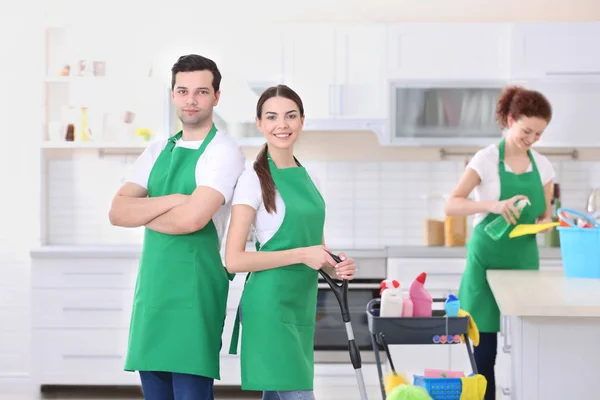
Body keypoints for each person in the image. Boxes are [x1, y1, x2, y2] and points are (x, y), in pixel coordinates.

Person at [108, 54, 246, 400]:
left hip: (195, 291)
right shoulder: (156, 150)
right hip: (153, 290)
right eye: (183, 91)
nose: (191, 100)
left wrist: (144, 211)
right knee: (154, 392)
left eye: (201, 92)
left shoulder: (224, 152)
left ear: (216, 96)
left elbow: (193, 220)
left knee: (190, 394)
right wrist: (175, 199)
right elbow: (117, 212)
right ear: (172, 94)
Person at [224, 84, 357, 400]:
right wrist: (300, 254)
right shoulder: (253, 180)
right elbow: (234, 259)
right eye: (271, 117)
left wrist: (338, 267)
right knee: (297, 394)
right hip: (269, 306)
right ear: (260, 123)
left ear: (301, 121)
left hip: (300, 304)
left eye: (290, 116)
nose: (281, 125)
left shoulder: (310, 177)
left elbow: (318, 251)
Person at [444, 85, 555, 400]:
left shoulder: (544, 166)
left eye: (538, 134)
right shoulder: (487, 159)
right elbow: (452, 205)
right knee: (484, 350)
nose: (531, 139)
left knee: (527, 346)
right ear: (510, 120)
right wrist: (493, 206)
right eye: (526, 131)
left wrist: (544, 225)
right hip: (485, 261)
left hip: (522, 261)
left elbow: (544, 217)